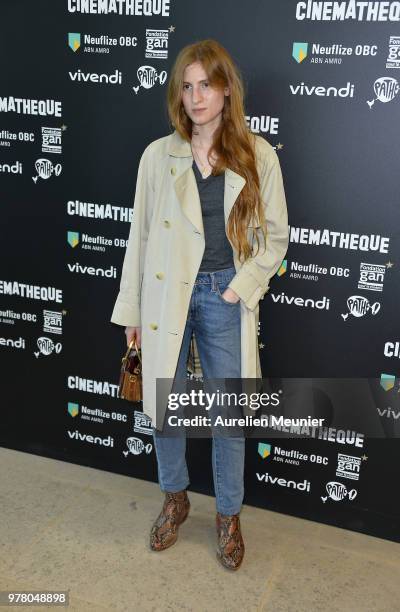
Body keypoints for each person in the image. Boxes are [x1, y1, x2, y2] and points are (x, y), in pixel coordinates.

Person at [110, 39, 289, 570]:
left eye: (205, 85)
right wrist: (134, 312)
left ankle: (228, 514)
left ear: (226, 88)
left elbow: (275, 237)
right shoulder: (156, 156)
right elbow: (139, 237)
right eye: (186, 87)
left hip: (223, 295)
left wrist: (240, 286)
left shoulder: (258, 155)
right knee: (167, 408)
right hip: (168, 297)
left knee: (228, 414)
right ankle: (175, 497)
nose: (195, 97)